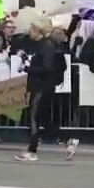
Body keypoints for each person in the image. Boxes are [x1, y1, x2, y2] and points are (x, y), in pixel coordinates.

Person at [15, 19, 74, 162]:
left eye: (32, 29)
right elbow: (38, 62)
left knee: (34, 117)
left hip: (42, 86)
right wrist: (24, 58)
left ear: (38, 31)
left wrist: (27, 69)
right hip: (38, 85)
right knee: (44, 119)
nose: (29, 32)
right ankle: (68, 141)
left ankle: (32, 150)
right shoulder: (40, 45)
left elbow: (47, 68)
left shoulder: (47, 45)